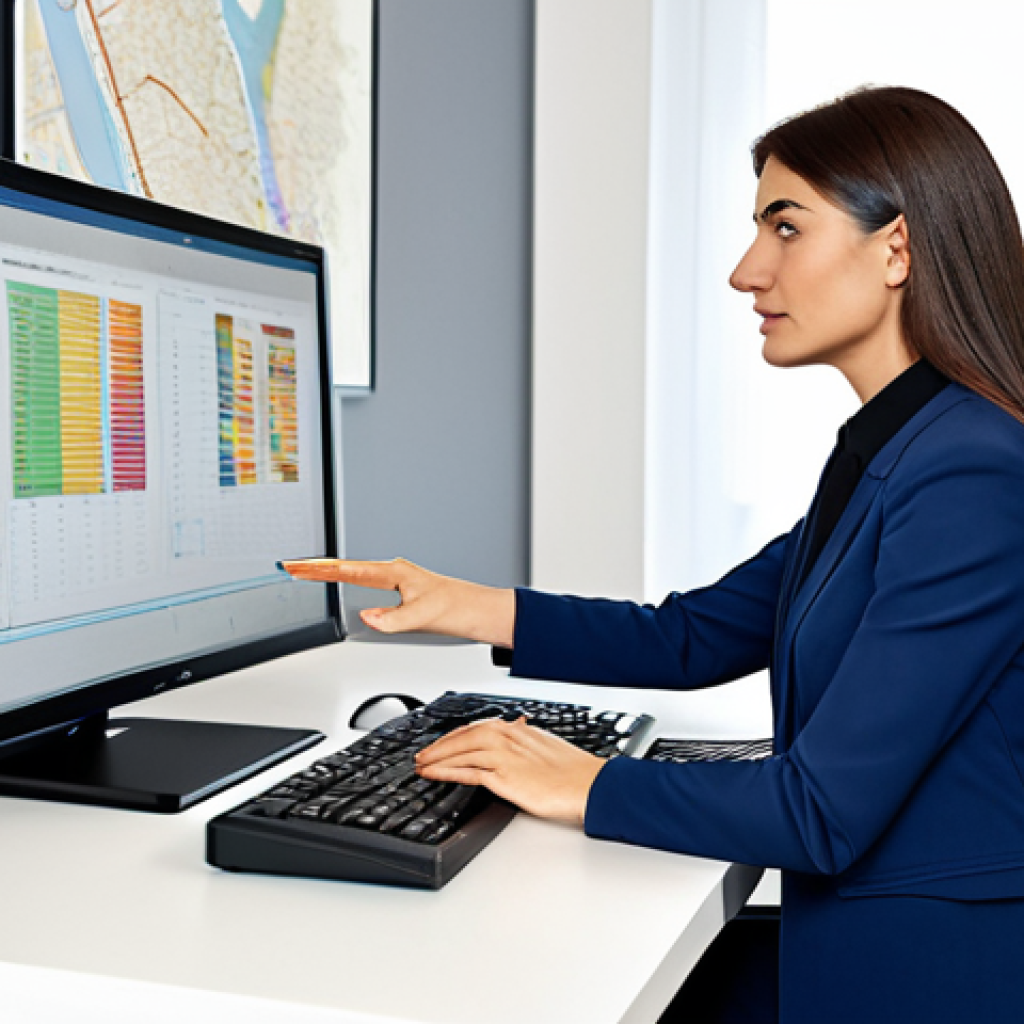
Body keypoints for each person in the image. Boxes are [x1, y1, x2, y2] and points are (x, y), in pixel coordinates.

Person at [283, 86, 1024, 1023]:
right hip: (867, 929)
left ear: (898, 249)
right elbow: (694, 637)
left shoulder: (971, 471)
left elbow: (821, 811)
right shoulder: (896, 446)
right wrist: (465, 604)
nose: (746, 271)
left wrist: (585, 780)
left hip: (930, 970)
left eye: (784, 228)